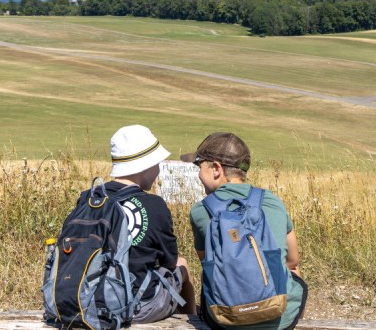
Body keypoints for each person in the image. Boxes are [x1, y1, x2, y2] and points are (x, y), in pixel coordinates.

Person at [187, 132, 308, 330]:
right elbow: (293, 259)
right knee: (294, 272)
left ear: (216, 169)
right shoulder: (273, 202)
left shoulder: (201, 211)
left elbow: (206, 260)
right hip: (281, 318)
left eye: (199, 166)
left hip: (224, 321)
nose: (199, 174)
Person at [106, 124, 196, 323]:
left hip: (88, 299)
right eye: (157, 163)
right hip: (137, 307)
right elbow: (169, 261)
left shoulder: (91, 198)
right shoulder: (154, 205)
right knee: (182, 264)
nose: (158, 169)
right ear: (145, 165)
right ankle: (192, 320)